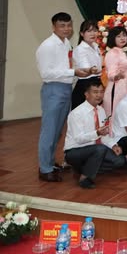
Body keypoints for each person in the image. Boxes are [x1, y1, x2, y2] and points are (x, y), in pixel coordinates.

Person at [37, 13, 81, 181]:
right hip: (53, 89)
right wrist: (73, 72)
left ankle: (49, 162)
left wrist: (75, 73)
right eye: (62, 25)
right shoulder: (47, 46)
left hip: (65, 88)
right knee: (49, 131)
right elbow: (46, 73)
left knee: (57, 131)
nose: (66, 29)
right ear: (53, 27)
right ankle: (45, 169)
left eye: (69, 25)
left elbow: (67, 65)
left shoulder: (66, 43)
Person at [63, 80, 126, 188]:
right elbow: (78, 139)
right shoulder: (76, 113)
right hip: (75, 151)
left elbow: (103, 135)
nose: (99, 95)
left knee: (120, 161)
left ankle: (85, 168)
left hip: (95, 150)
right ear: (86, 94)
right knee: (100, 149)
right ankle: (85, 178)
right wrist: (96, 133)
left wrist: (113, 145)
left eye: (101, 92)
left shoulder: (101, 110)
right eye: (95, 92)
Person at [71, 20, 103, 110]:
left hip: (96, 82)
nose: (93, 34)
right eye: (89, 31)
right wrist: (95, 69)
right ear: (82, 33)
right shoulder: (80, 49)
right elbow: (86, 68)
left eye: (95, 31)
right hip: (85, 85)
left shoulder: (96, 46)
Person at [104, 26, 127, 116]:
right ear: (113, 38)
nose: (122, 38)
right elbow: (111, 74)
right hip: (117, 88)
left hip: (126, 86)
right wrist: (117, 76)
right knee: (117, 115)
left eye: (124, 35)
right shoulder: (112, 53)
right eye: (118, 36)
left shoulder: (122, 51)